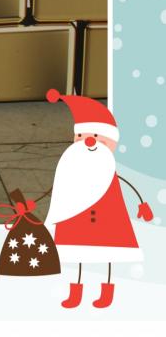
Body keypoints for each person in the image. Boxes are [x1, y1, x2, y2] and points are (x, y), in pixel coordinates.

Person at [44, 89, 153, 309]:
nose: (88, 141)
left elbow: (128, 183)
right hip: (77, 219)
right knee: (78, 256)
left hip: (108, 219)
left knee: (109, 256)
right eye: (82, 136)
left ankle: (107, 292)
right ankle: (76, 292)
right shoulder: (72, 168)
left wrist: (143, 205)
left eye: (96, 136)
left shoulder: (109, 169)